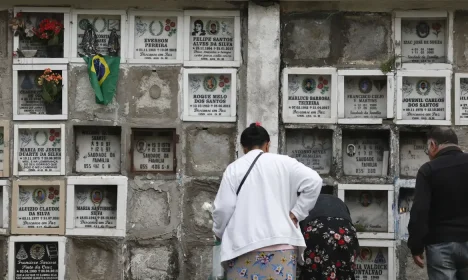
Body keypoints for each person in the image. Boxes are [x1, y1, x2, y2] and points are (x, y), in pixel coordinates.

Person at [212, 122, 322, 279]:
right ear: (267, 145)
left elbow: (224, 207)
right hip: (282, 244)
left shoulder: (234, 169)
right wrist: (296, 213)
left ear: (243, 147)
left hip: (242, 246)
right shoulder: (285, 163)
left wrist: (219, 232)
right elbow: (315, 181)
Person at [408, 127, 468, 280]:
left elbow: (419, 212)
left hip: (440, 245)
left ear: (433, 145)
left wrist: (416, 247)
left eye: (427, 148)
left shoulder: (428, 170)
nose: (428, 154)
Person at [299, 194, 360, 280]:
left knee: (312, 270)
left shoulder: (305, 202)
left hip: (318, 228)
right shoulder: (338, 203)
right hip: (345, 230)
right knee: (345, 270)